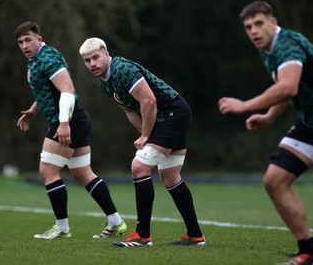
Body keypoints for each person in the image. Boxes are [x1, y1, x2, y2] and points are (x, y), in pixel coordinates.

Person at [218, 0, 313, 265]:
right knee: (274, 180)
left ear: (273, 23)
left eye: (259, 24)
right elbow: (289, 87)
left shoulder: (287, 43)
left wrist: (245, 105)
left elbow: (288, 86)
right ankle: (310, 253)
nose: (253, 30)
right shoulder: (267, 49)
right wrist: (269, 116)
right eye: (248, 26)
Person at [79, 37, 205, 247]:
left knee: (139, 167)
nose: (92, 64)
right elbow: (129, 111)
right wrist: (147, 136)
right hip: (170, 116)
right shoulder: (106, 83)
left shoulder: (122, 69)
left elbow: (149, 101)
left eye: (95, 57)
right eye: (86, 60)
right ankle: (195, 235)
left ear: (106, 55)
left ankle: (142, 236)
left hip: (172, 113)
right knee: (170, 176)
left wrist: (146, 136)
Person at [15, 21, 127, 240]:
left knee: (48, 171)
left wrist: (64, 124)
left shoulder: (47, 57)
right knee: (82, 173)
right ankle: (116, 222)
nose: (24, 45)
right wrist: (33, 109)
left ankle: (62, 228)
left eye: (28, 39)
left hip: (69, 120)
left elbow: (67, 90)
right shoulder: (35, 60)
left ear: (39, 38)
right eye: (20, 42)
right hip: (75, 118)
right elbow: (49, 90)